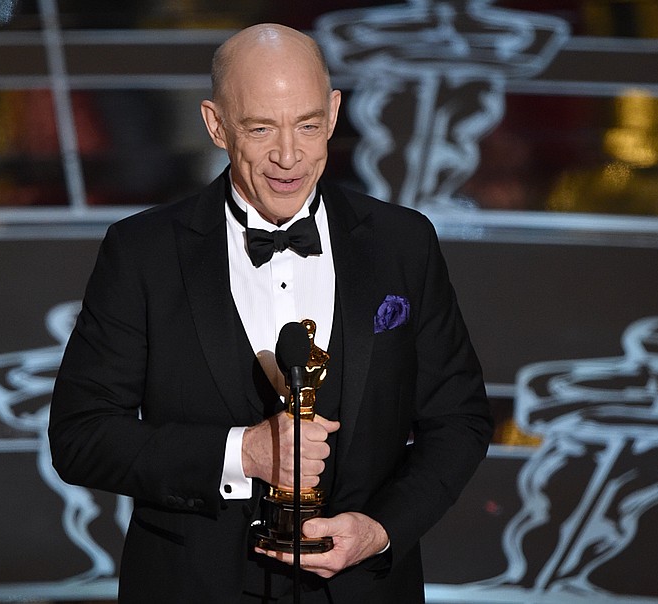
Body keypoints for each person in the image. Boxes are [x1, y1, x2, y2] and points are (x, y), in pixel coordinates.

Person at [49, 23, 492, 603]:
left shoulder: (403, 243)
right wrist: (243, 453)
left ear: (334, 114)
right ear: (216, 125)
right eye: (261, 129)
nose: (290, 156)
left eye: (308, 125)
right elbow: (81, 437)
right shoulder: (143, 253)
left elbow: (460, 419)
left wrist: (381, 531)